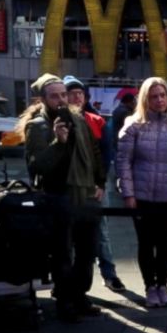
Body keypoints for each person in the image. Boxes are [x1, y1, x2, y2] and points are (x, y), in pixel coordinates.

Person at [22, 73, 105, 322]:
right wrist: (58, 142)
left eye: (63, 94)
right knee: (62, 253)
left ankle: (80, 295)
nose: (61, 100)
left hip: (86, 195)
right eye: (54, 96)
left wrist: (100, 182)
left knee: (87, 251)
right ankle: (66, 301)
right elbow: (37, 166)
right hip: (58, 196)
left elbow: (94, 152)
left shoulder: (79, 119)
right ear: (43, 99)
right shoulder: (37, 125)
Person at [116, 77, 167, 308]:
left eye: (162, 95)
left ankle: (163, 286)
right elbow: (123, 162)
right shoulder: (133, 126)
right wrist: (128, 193)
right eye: (154, 96)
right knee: (145, 243)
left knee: (164, 244)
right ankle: (150, 286)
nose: (159, 100)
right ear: (145, 99)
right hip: (141, 196)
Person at [64, 75, 126, 293]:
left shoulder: (96, 120)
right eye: (71, 93)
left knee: (101, 232)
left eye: (80, 93)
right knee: (69, 235)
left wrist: (100, 183)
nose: (76, 97)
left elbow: (106, 154)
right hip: (69, 188)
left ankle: (109, 274)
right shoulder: (58, 120)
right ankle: (68, 281)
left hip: (94, 186)